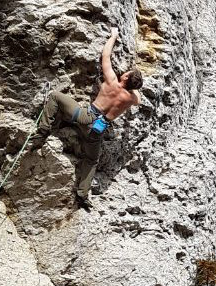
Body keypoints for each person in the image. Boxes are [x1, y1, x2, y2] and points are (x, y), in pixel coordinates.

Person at [30, 28, 143, 210]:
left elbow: (105, 56)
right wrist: (133, 86)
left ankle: (42, 132)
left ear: (126, 77)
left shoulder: (112, 81)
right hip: (97, 130)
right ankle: (82, 194)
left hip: (84, 116)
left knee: (55, 97)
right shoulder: (130, 98)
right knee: (91, 160)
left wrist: (113, 36)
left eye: (128, 73)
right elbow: (138, 99)